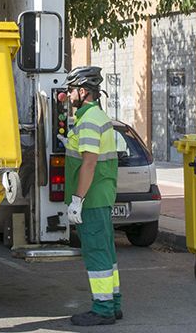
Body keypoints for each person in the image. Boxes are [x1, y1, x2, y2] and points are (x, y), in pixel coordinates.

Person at [62, 66, 121, 326]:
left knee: (96, 252)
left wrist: (77, 200)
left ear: (83, 91)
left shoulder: (87, 120)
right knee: (107, 253)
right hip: (102, 196)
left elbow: (89, 163)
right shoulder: (97, 116)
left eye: (71, 89)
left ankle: (102, 309)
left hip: (92, 198)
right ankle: (113, 304)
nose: (68, 94)